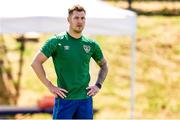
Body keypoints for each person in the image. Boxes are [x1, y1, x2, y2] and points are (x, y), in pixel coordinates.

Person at [31, 4, 108, 119]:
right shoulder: (56, 41)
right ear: (68, 20)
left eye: (83, 18)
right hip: (65, 100)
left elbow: (104, 66)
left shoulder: (91, 44)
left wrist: (98, 85)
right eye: (76, 18)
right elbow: (35, 63)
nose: (80, 21)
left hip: (85, 101)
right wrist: (50, 86)